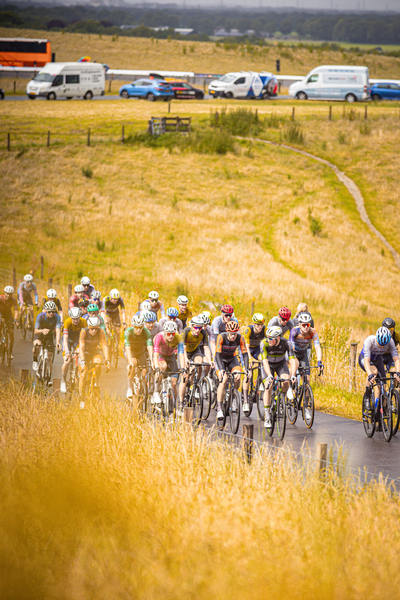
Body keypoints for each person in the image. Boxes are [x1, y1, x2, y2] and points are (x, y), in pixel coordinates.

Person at [289, 313, 324, 419]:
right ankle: (291, 386)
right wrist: (294, 373)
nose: (305, 327)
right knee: (296, 364)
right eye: (303, 325)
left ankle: (305, 408)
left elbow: (317, 347)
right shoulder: (294, 331)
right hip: (293, 353)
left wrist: (319, 361)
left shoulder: (313, 332)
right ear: (299, 324)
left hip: (303, 354)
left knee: (307, 380)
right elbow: (291, 349)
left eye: (307, 325)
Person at [260, 326, 295, 428]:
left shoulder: (287, 343)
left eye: (271, 338)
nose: (268, 340)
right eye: (268, 337)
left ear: (278, 338)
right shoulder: (264, 343)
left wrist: (292, 375)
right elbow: (265, 361)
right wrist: (270, 375)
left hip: (281, 364)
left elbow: (292, 360)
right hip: (268, 366)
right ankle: (267, 415)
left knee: (286, 381)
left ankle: (281, 398)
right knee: (268, 385)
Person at [215, 320, 249, 421]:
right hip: (221, 359)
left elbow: (245, 354)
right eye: (231, 334)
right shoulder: (222, 337)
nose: (233, 336)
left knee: (238, 376)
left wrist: (246, 369)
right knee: (224, 380)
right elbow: (217, 354)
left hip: (232, 359)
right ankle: (220, 408)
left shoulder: (240, 338)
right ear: (227, 332)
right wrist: (221, 369)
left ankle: (234, 396)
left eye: (235, 334)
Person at [359, 326, 400, 410]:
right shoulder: (369, 341)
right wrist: (370, 374)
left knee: (384, 387)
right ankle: (367, 396)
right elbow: (367, 361)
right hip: (365, 359)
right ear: (376, 338)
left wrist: (398, 372)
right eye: (379, 344)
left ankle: (382, 412)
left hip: (378, 360)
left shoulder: (391, 342)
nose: (381, 347)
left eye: (384, 345)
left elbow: (396, 359)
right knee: (374, 371)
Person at [179, 315, 212, 415]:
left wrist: (210, 361)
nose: (198, 330)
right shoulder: (186, 331)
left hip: (194, 350)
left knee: (199, 362)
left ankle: (195, 384)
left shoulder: (203, 333)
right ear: (192, 326)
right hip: (184, 352)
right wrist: (186, 361)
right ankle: (181, 402)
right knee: (185, 376)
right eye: (196, 327)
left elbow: (206, 348)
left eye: (200, 327)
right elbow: (183, 350)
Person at [78, 315, 109, 399]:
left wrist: (107, 360)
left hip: (94, 352)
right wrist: (83, 360)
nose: (94, 331)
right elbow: (81, 348)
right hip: (85, 352)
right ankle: (81, 396)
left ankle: (95, 380)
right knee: (83, 374)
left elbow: (105, 346)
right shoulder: (84, 331)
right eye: (92, 328)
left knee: (98, 364)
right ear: (89, 327)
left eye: (96, 328)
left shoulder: (101, 331)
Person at [124, 314, 154, 400]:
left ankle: (142, 389)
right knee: (133, 364)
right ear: (133, 326)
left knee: (145, 370)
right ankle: (129, 388)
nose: (138, 330)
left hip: (140, 352)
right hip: (131, 351)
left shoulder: (146, 332)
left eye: (140, 327)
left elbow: (149, 347)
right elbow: (127, 348)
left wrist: (152, 361)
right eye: (136, 327)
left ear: (143, 326)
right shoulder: (128, 332)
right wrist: (130, 362)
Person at [153, 321, 184, 403]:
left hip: (171, 357)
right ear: (165, 332)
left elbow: (181, 355)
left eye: (173, 334)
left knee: (174, 384)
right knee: (163, 367)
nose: (171, 336)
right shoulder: (159, 336)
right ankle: (156, 391)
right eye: (168, 334)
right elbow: (155, 355)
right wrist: (156, 368)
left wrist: (183, 368)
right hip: (161, 356)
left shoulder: (178, 338)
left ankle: (172, 406)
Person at [242, 313, 266, 413]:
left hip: (256, 349)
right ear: (253, 323)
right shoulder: (248, 330)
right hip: (247, 350)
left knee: (264, 361)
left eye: (261, 324)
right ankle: (245, 402)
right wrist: (250, 360)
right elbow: (246, 347)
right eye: (257, 324)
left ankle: (260, 380)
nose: (260, 327)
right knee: (249, 373)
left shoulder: (265, 329)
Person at [32, 300, 62, 381]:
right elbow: (35, 331)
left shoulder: (57, 317)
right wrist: (42, 330)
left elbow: (58, 330)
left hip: (49, 335)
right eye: (49, 312)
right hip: (40, 333)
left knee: (49, 357)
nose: (51, 313)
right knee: (37, 346)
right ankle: (35, 360)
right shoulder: (40, 316)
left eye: (53, 311)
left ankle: (49, 378)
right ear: (46, 311)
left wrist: (58, 342)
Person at [61, 306, 87, 393]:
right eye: (73, 319)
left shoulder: (83, 322)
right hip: (68, 340)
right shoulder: (67, 322)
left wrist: (82, 349)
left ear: (80, 317)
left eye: (77, 319)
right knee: (67, 361)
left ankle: (78, 373)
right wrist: (67, 351)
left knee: (80, 354)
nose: (75, 321)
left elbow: (85, 337)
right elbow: (65, 338)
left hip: (77, 339)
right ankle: (63, 380)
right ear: (71, 317)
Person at [0, 286, 19, 358]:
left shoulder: (13, 299)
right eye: (7, 294)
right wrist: (0, 317)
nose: (8, 295)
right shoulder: (1, 298)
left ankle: (10, 351)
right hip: (0, 312)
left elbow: (16, 310)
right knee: (1, 323)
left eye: (10, 294)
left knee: (11, 332)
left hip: (8, 314)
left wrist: (15, 319)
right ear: (4, 293)